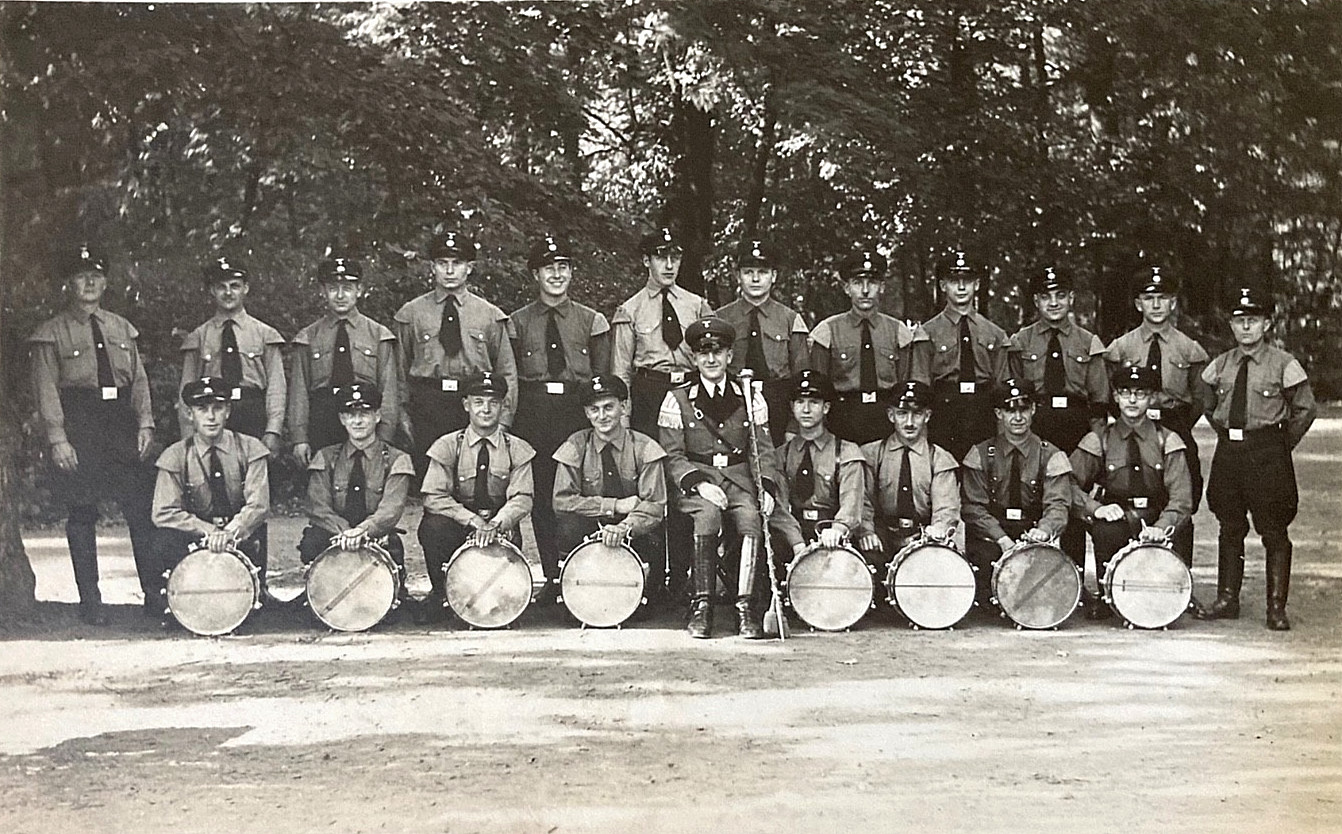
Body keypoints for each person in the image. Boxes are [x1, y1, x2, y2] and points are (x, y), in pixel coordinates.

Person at [27, 241, 159, 624]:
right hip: (80, 422)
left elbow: (139, 381)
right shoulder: (51, 334)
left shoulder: (121, 327)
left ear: (105, 282)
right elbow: (46, 390)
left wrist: (145, 422)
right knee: (83, 512)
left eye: (96, 277)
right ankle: (91, 602)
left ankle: (154, 595)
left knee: (139, 508)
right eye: (82, 277)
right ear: (69, 283)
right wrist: (58, 439)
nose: (89, 283)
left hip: (120, 422)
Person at [657, 317, 804, 639]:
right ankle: (702, 606)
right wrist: (700, 484)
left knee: (751, 517)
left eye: (718, 352)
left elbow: (761, 451)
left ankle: (746, 606)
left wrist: (766, 487)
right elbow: (672, 456)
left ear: (729, 356)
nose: (711, 359)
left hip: (739, 479)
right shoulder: (678, 398)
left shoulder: (749, 395)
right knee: (707, 517)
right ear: (694, 358)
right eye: (703, 353)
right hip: (698, 482)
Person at [1197, 286, 1316, 630]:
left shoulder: (1284, 363)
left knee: (1274, 529)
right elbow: (1208, 404)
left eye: (1253, 320)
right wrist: (1229, 435)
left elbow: (1305, 409)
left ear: (1266, 324)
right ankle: (1227, 598)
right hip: (1230, 452)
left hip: (1268, 455)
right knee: (1229, 525)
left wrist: (1279, 445)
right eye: (1239, 321)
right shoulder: (1220, 365)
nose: (1246, 327)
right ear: (1231, 325)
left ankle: (1276, 607)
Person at [509, 234, 612, 593]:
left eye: (563, 267)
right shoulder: (517, 323)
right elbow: (511, 376)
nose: (556, 275)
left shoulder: (591, 321)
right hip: (533, 413)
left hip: (575, 412)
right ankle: (553, 577)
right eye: (549, 268)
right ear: (535, 274)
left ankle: (582, 576)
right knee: (540, 495)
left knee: (576, 492)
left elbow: (603, 376)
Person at [1007, 264, 1109, 581]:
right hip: (1035, 430)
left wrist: (1094, 445)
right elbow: (1012, 398)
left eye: (1061, 296)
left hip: (1076, 433)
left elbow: (1100, 403)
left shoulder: (1089, 342)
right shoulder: (1020, 343)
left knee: (1072, 505)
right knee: (1035, 501)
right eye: (1046, 296)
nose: (1054, 303)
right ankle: (1032, 583)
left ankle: (1074, 583)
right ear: (1036, 301)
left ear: (1071, 299)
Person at [393, 229, 518, 484]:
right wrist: (401, 415)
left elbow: (507, 372)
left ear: (469, 268)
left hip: (474, 404)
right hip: (428, 406)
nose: (449, 271)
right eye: (442, 263)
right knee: (431, 486)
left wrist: (503, 419)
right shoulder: (411, 314)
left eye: (457, 263)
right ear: (432, 267)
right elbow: (398, 370)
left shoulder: (490, 316)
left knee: (474, 481)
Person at [1069, 366, 1194, 620]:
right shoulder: (1099, 440)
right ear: (1115, 397)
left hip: (1156, 516)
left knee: (1183, 527)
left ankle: (1175, 592)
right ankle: (1107, 595)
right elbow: (1066, 486)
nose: (1133, 400)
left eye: (1141, 393)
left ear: (1153, 398)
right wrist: (1096, 508)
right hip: (1118, 515)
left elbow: (1182, 498)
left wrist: (1163, 526)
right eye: (1125, 393)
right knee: (1106, 530)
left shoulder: (1168, 440)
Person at [1104, 265, 1209, 566]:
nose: (1156, 305)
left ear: (1173, 302)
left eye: (1163, 298)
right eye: (1149, 298)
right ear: (1138, 304)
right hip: (1133, 424)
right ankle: (1124, 576)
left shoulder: (1189, 349)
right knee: (1134, 493)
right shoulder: (1121, 348)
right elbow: (1110, 389)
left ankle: (1180, 579)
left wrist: (1175, 425)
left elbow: (1199, 398)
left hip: (1173, 423)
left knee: (1180, 499)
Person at [415, 373, 535, 622]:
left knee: (500, 601)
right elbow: (433, 496)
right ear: (466, 404)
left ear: (504, 406)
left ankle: (504, 597)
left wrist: (497, 523)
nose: (486, 409)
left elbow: (522, 497)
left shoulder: (518, 449)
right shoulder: (448, 445)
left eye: (493, 402)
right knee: (432, 526)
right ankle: (440, 594)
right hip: (460, 526)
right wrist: (471, 520)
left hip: (500, 529)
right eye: (479, 402)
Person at [152, 377, 270, 621]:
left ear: (228, 411)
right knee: (163, 541)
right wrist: (208, 531)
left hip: (240, 536)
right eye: (202, 409)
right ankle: (176, 601)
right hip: (195, 536)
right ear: (189, 414)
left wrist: (229, 533)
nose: (211, 417)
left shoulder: (250, 448)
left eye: (217, 408)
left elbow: (258, 504)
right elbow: (163, 511)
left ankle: (256, 595)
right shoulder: (175, 456)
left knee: (258, 531)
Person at [296, 383, 415, 610]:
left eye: (365, 414)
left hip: (375, 534)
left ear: (377, 416)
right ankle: (315, 594)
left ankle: (393, 594)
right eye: (351, 415)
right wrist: (345, 533)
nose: (357, 421)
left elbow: (390, 510)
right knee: (312, 541)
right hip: (334, 534)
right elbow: (317, 508)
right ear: (342, 419)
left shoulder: (396, 459)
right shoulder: (326, 457)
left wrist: (361, 532)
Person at [552, 375, 668, 603]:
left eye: (609, 407)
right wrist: (613, 506)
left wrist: (623, 528)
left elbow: (655, 506)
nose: (602, 416)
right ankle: (573, 592)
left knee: (643, 609)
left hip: (634, 531)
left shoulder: (644, 448)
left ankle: (646, 591)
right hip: (589, 527)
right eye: (594, 409)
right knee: (568, 526)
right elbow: (561, 501)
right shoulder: (576, 445)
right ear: (586, 413)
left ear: (623, 407)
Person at [960, 379, 1073, 608]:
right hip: (992, 535)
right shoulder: (980, 454)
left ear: (1033, 410)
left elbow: (1058, 505)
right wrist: (1001, 539)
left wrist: (1044, 530)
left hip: (1032, 532)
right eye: (1010, 410)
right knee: (985, 597)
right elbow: (972, 507)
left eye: (1023, 409)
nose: (1018, 417)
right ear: (998, 413)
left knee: (1040, 596)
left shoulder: (1051, 455)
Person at [809, 249, 931, 444]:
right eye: (857, 283)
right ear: (846, 288)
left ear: (882, 287)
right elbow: (819, 390)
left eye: (872, 283)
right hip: (843, 420)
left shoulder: (899, 332)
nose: (865, 291)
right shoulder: (827, 331)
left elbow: (907, 384)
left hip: (887, 422)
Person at [288, 256, 400, 466]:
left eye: (347, 288)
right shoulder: (309, 337)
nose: (340, 295)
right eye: (333, 288)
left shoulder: (378, 335)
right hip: (323, 419)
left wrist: (385, 435)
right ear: (323, 291)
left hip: (365, 418)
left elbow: (389, 389)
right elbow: (299, 392)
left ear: (359, 290)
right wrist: (299, 437)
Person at [610, 227, 714, 436]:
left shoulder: (697, 306)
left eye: (674, 258)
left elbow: (713, 357)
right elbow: (621, 371)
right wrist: (623, 416)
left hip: (690, 389)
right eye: (661, 257)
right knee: (651, 459)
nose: (669, 266)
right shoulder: (630, 310)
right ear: (646, 261)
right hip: (649, 394)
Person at [179, 253, 286, 453]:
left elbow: (276, 387)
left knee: (257, 477)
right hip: (212, 416)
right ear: (212, 290)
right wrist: (188, 436)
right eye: (221, 287)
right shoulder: (199, 337)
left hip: (253, 416)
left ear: (245, 288)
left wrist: (273, 430)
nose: (228, 292)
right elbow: (187, 390)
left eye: (235, 285)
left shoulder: (264, 334)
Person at [857, 380, 961, 575]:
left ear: (927, 416)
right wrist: (867, 531)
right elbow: (863, 501)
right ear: (891, 415)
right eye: (902, 414)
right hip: (883, 536)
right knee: (867, 562)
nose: (910, 422)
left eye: (917, 414)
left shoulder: (939, 459)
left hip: (922, 536)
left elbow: (946, 507)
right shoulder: (872, 454)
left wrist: (938, 528)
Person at [714, 239, 809, 445]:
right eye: (748, 272)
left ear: (773, 276)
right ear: (738, 276)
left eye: (763, 272)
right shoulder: (720, 319)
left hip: (777, 406)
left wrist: (794, 426)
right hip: (731, 404)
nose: (755, 279)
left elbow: (801, 378)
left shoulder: (790, 320)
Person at [922, 250, 1010, 460]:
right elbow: (921, 386)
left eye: (967, 281)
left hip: (983, 411)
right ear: (943, 286)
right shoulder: (927, 333)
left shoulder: (995, 334)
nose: (961, 287)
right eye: (954, 281)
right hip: (944, 413)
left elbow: (1002, 388)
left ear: (977, 285)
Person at [777, 371, 866, 548]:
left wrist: (837, 529)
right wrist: (796, 543)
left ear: (826, 408)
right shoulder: (782, 455)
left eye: (814, 403)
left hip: (833, 534)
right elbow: (779, 507)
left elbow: (851, 505)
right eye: (800, 402)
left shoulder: (846, 452)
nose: (806, 410)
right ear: (792, 407)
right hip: (794, 533)